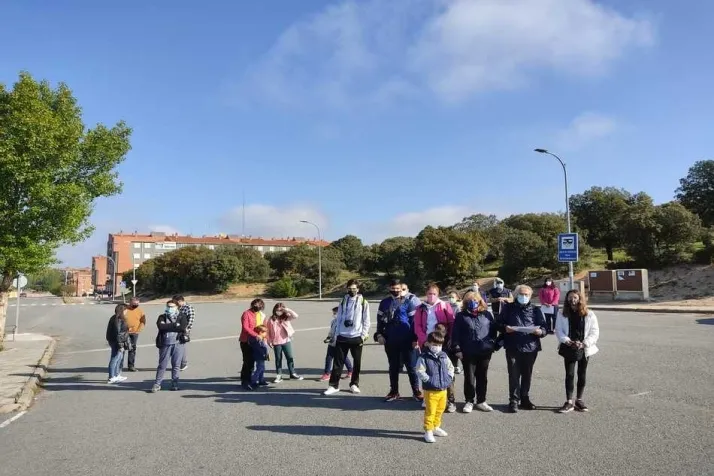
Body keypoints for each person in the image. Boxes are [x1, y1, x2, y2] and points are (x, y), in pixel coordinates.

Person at [500, 285, 547, 413]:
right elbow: (498, 324)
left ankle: (525, 398)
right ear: (516, 295)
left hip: (531, 347)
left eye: (527, 294)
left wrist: (540, 332)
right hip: (513, 346)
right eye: (521, 294)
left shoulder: (535, 310)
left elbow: (544, 327)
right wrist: (505, 328)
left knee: (527, 374)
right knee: (513, 375)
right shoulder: (508, 308)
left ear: (530, 296)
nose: (524, 296)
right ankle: (514, 400)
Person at [375, 279, 423, 403]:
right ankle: (394, 391)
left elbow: (414, 322)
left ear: (401, 289)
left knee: (411, 367)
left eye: (398, 288)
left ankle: (416, 391)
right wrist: (379, 334)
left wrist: (415, 339)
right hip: (390, 339)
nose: (395, 290)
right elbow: (380, 320)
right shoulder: (384, 302)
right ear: (389, 288)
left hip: (407, 339)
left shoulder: (408, 302)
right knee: (393, 367)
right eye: (393, 288)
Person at [451, 291, 500, 413]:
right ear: (465, 303)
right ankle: (469, 401)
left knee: (482, 377)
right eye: (469, 301)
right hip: (468, 351)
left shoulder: (487, 314)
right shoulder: (461, 316)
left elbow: (493, 331)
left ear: (480, 301)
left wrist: (492, 344)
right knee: (469, 377)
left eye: (475, 300)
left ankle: (481, 401)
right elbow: (455, 334)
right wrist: (457, 349)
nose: (473, 303)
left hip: (484, 351)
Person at [556, 290, 600, 413]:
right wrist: (567, 341)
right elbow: (558, 330)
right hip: (569, 346)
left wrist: (585, 343)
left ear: (580, 299)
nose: (572, 300)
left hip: (584, 347)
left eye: (575, 297)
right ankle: (569, 401)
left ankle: (579, 400)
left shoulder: (589, 314)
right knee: (569, 374)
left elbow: (594, 332)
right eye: (570, 297)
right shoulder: (562, 313)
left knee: (582, 373)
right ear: (567, 299)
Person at [324, 280, 370, 396]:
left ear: (358, 289)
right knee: (338, 362)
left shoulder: (363, 302)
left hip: (356, 336)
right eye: (350, 289)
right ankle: (333, 385)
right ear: (347, 289)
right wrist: (337, 333)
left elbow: (366, 320)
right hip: (342, 336)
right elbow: (339, 318)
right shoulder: (343, 301)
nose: (352, 291)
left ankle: (354, 384)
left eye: (354, 289)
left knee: (357, 362)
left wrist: (363, 335)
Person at [414, 283, 456, 410]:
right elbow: (417, 327)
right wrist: (424, 341)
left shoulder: (444, 305)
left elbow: (451, 323)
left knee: (446, 370)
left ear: (438, 294)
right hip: (427, 344)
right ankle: (427, 398)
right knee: (427, 371)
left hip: (442, 343)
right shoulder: (420, 308)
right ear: (426, 294)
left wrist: (450, 339)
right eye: (429, 293)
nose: (431, 296)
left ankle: (450, 400)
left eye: (434, 294)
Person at [415, 332, 454, 444]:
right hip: (430, 391)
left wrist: (449, 378)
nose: (437, 347)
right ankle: (428, 430)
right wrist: (429, 380)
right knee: (430, 411)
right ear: (428, 343)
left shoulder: (444, 356)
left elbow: (450, 367)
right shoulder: (424, 357)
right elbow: (419, 370)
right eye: (434, 344)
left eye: (439, 345)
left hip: (443, 389)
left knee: (440, 409)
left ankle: (436, 426)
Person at [152, 299, 189, 392]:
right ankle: (157, 384)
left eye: (172, 307)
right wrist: (175, 325)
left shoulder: (182, 316)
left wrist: (169, 326)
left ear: (177, 307)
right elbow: (161, 327)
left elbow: (182, 327)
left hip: (178, 343)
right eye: (168, 306)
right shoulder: (162, 317)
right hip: (165, 343)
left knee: (176, 365)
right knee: (162, 365)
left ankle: (174, 383)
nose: (169, 308)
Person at [266, 303, 303, 382]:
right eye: (277, 310)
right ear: (274, 310)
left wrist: (287, 310)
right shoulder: (271, 319)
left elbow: (296, 316)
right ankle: (279, 375)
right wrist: (269, 341)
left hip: (286, 341)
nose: (279, 312)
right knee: (278, 359)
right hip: (276, 342)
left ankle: (292, 373)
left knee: (289, 357)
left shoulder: (286, 317)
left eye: (281, 310)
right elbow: (267, 331)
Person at [321, 306, 353, 381]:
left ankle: (351, 371)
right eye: (333, 313)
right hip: (332, 343)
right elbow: (331, 331)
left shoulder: (343, 322)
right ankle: (327, 374)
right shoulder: (333, 321)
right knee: (329, 358)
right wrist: (328, 337)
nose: (334, 315)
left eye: (335, 313)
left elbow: (344, 333)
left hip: (340, 343)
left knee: (343, 357)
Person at [240, 299, 265, 391]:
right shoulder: (246, 313)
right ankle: (245, 381)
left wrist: (264, 336)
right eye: (255, 304)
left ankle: (251, 380)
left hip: (257, 341)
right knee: (248, 362)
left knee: (255, 361)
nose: (257, 306)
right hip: (246, 341)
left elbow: (263, 326)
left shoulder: (260, 314)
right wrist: (256, 335)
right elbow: (245, 327)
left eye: (259, 305)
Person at [106, 304, 130, 384]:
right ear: (122, 311)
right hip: (116, 342)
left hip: (116, 341)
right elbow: (118, 333)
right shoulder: (118, 319)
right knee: (115, 358)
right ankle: (111, 377)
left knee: (119, 358)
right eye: (126, 310)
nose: (127, 311)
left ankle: (116, 375)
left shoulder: (117, 318)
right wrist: (120, 345)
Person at [123, 297, 146, 372]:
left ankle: (131, 366)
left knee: (132, 349)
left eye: (137, 304)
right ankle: (119, 365)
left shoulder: (140, 311)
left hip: (134, 333)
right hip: (124, 333)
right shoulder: (124, 310)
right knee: (122, 349)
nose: (136, 305)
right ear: (130, 302)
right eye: (134, 303)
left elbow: (143, 321)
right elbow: (119, 320)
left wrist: (138, 330)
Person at [173, 295, 195, 371]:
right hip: (176, 329)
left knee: (182, 347)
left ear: (180, 301)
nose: (174, 303)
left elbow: (190, 320)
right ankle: (178, 363)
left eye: (175, 302)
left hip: (184, 330)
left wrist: (186, 330)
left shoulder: (189, 308)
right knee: (176, 346)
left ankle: (183, 364)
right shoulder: (178, 307)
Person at [249, 325, 270, 390]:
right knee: (259, 368)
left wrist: (266, 354)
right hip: (259, 356)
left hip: (262, 356)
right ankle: (253, 380)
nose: (266, 334)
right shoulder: (257, 339)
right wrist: (263, 354)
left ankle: (261, 380)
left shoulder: (262, 339)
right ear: (260, 332)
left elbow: (265, 348)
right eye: (265, 332)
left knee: (262, 368)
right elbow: (259, 348)